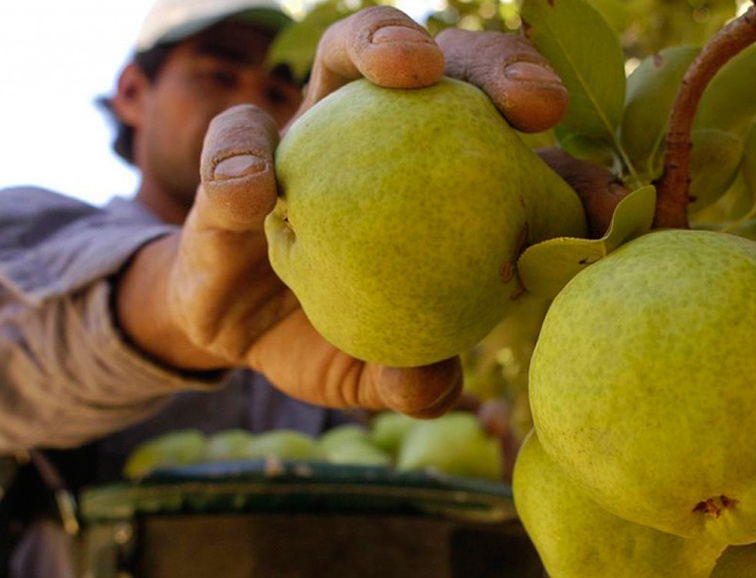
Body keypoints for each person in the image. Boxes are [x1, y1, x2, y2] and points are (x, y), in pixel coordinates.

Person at [0, 0, 622, 575]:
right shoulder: (33, 228)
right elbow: (21, 358)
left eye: (277, 89)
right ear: (133, 92)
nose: (249, 99)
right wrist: (180, 302)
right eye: (216, 76)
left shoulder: (340, 326)